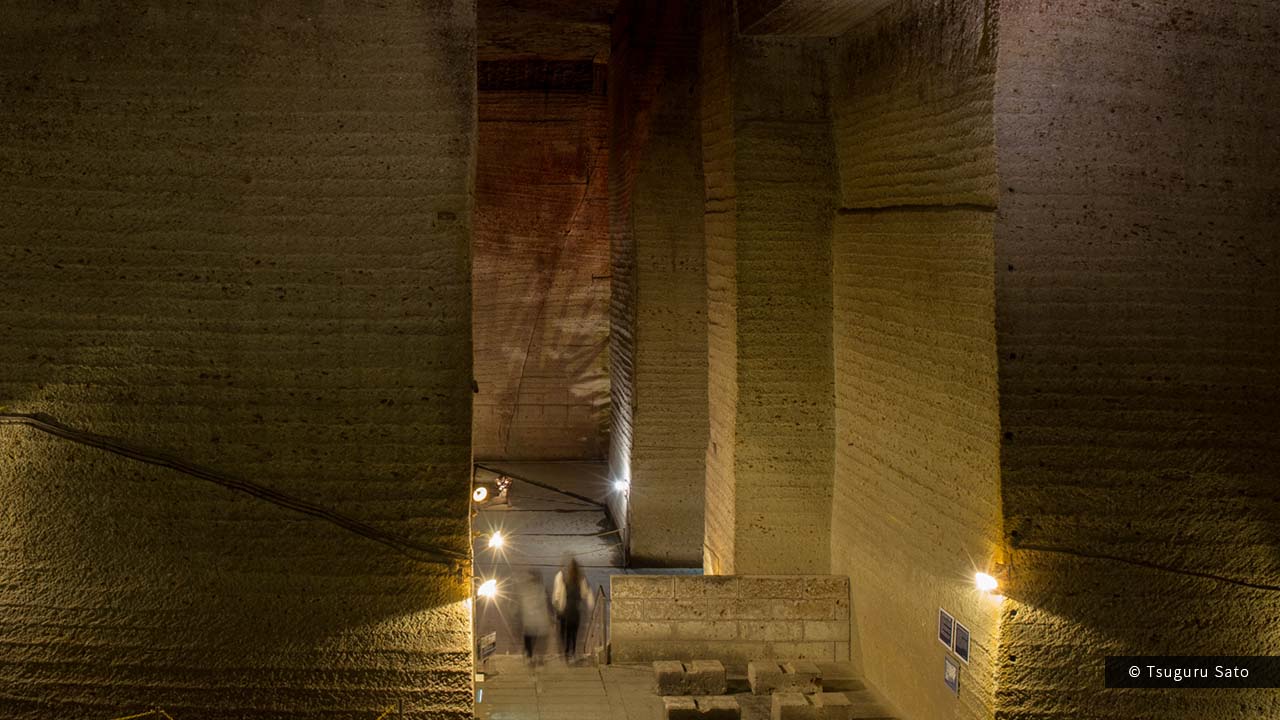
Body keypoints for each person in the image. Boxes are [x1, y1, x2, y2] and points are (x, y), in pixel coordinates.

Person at [551, 555, 593, 663]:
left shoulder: (563, 578)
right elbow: (585, 593)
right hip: (575, 610)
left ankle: (565, 653)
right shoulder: (580, 579)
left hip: (565, 609)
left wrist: (556, 605)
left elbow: (557, 594)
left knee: (565, 632)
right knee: (573, 633)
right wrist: (589, 604)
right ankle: (572, 653)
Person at [516, 571, 551, 665]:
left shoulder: (525, 589)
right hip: (538, 620)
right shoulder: (541, 588)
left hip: (529, 619)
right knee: (538, 639)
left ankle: (530, 657)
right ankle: (537, 657)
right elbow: (546, 603)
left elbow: (520, 604)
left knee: (529, 638)